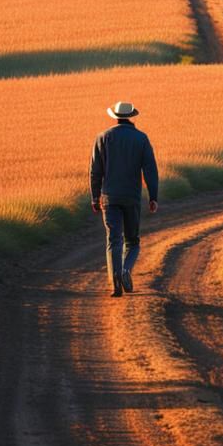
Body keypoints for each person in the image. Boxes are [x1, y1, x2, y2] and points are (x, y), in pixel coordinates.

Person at [90, 100, 159, 298]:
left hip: (109, 198)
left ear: (114, 116)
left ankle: (115, 285)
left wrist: (95, 197)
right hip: (132, 197)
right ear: (131, 116)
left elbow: (95, 172)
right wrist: (153, 196)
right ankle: (126, 270)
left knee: (113, 240)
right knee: (133, 242)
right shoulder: (141, 139)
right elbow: (150, 170)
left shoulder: (102, 138)